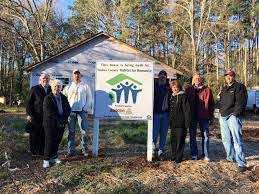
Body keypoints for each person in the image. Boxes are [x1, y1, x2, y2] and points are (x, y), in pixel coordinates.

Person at [219, 69, 248, 172]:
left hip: (233, 116)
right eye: (226, 76)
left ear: (234, 76)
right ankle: (230, 158)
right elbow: (221, 102)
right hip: (223, 117)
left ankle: (241, 163)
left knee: (237, 140)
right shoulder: (224, 88)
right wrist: (219, 112)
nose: (228, 77)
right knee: (226, 139)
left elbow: (242, 103)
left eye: (230, 75)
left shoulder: (239, 87)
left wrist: (235, 115)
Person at [63, 69, 92, 157]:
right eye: (75, 74)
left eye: (78, 74)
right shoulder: (68, 87)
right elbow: (64, 99)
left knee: (84, 131)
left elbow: (89, 98)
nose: (77, 76)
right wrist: (66, 109)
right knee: (71, 132)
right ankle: (71, 150)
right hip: (71, 112)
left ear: (81, 76)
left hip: (81, 112)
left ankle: (84, 149)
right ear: (72, 76)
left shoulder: (85, 86)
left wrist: (85, 108)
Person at [185, 73, 214, 161]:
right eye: (195, 78)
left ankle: (206, 154)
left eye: (199, 78)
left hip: (204, 116)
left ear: (201, 79)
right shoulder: (189, 90)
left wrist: (211, 116)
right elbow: (185, 104)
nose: (197, 79)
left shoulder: (207, 90)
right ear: (193, 80)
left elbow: (211, 104)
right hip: (192, 116)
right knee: (192, 136)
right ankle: (194, 154)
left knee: (205, 136)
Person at [42, 79, 71, 168]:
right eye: (55, 86)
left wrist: (64, 118)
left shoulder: (63, 97)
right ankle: (46, 159)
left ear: (61, 88)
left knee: (57, 140)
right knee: (49, 141)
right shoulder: (48, 98)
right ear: (52, 87)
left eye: (59, 86)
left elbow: (68, 109)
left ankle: (54, 157)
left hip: (61, 123)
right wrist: (59, 118)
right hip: (50, 123)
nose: (57, 88)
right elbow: (49, 111)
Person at [26, 73, 51, 157]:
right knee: (34, 134)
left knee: (44, 134)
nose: (45, 80)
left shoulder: (51, 89)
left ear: (49, 80)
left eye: (47, 78)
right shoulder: (34, 89)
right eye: (44, 78)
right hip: (36, 116)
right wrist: (29, 114)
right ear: (40, 80)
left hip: (47, 117)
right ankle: (33, 152)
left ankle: (41, 152)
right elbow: (29, 103)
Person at [169, 80, 191, 164]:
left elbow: (187, 110)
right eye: (173, 87)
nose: (174, 88)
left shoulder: (183, 96)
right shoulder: (172, 96)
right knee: (173, 140)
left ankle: (179, 157)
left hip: (181, 123)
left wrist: (187, 122)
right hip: (173, 123)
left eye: (176, 87)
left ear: (179, 87)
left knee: (180, 140)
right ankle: (173, 155)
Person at [153, 70, 170, 158]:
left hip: (166, 115)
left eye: (164, 75)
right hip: (155, 113)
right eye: (161, 75)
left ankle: (161, 150)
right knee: (154, 133)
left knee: (163, 134)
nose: (162, 77)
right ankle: (153, 149)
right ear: (158, 76)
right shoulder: (153, 86)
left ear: (166, 77)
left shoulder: (169, 87)